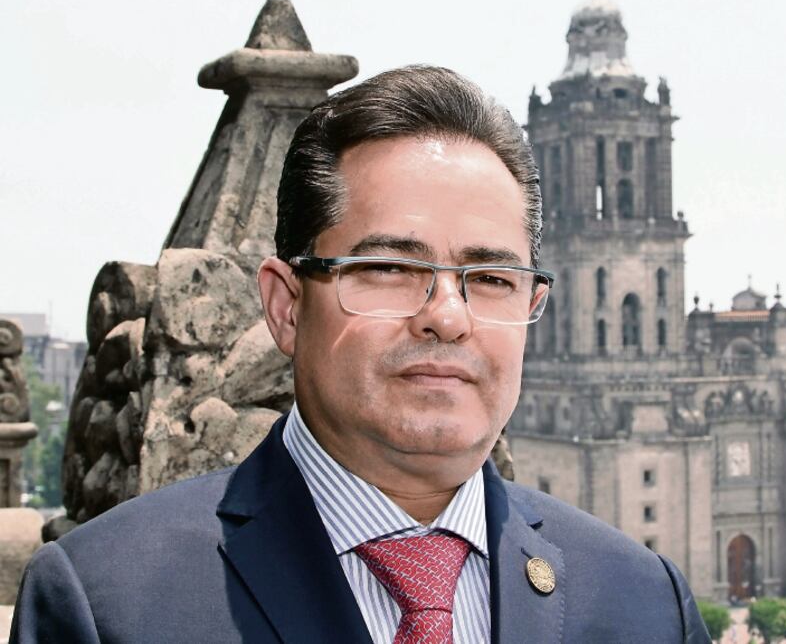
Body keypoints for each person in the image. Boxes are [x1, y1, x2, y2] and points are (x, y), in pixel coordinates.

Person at [10, 66, 709, 643]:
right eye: (390, 269)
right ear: (287, 306)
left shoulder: (643, 606)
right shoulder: (108, 606)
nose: (447, 316)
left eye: (492, 279)